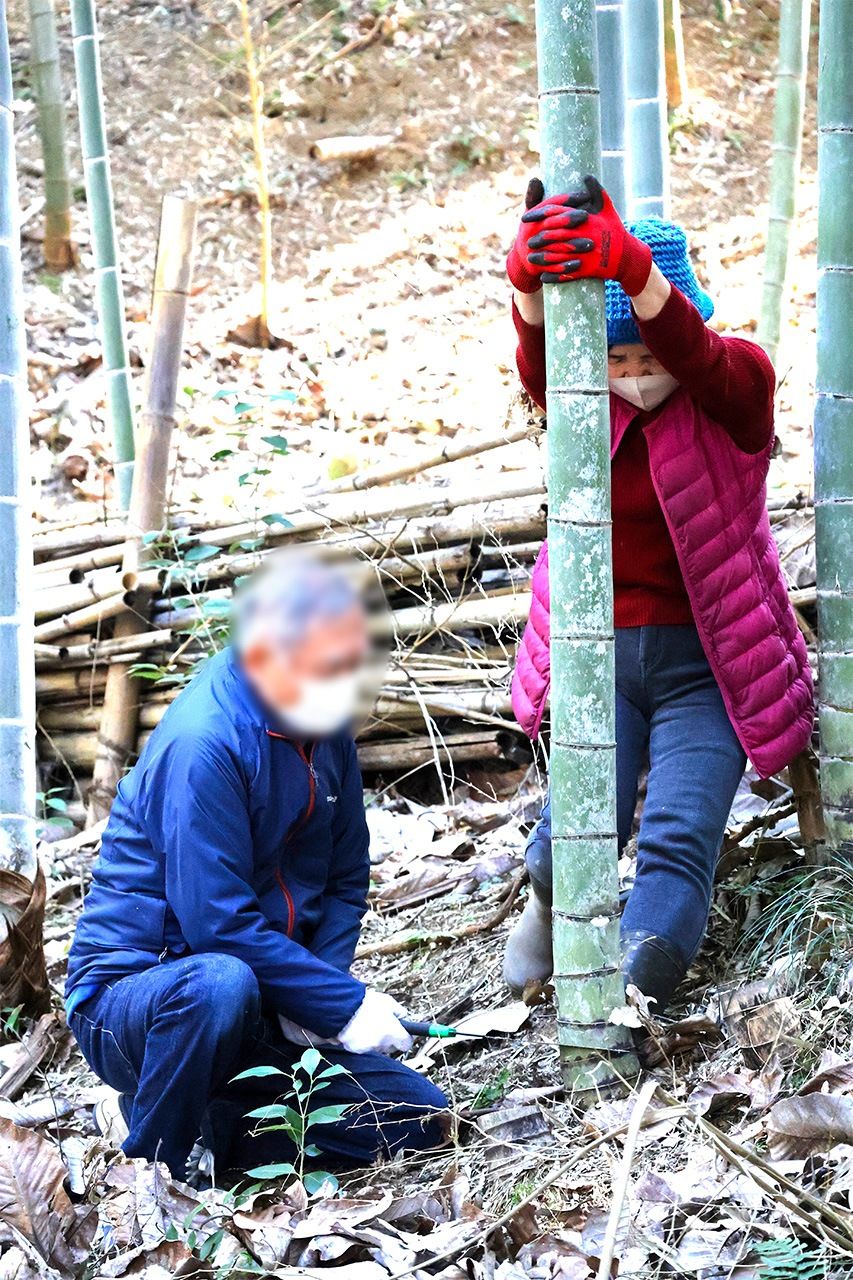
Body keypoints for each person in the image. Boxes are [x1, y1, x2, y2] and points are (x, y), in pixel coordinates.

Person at [502, 176, 814, 1012]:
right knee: (576, 833)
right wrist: (528, 288)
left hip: (708, 662)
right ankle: (541, 899)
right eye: (617, 361)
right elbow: (538, 360)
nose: (636, 375)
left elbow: (705, 363)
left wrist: (640, 278)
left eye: (650, 358)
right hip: (593, 655)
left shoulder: (730, 390)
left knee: (678, 838)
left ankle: (621, 1000)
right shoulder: (576, 405)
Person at [65, 553, 448, 1181]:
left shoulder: (328, 727)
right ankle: (154, 1166)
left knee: (421, 1118)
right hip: (140, 1002)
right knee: (218, 984)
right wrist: (344, 1007)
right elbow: (218, 926)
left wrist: (315, 1006)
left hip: (263, 1002)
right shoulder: (204, 744)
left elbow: (345, 879)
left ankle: (218, 1130)